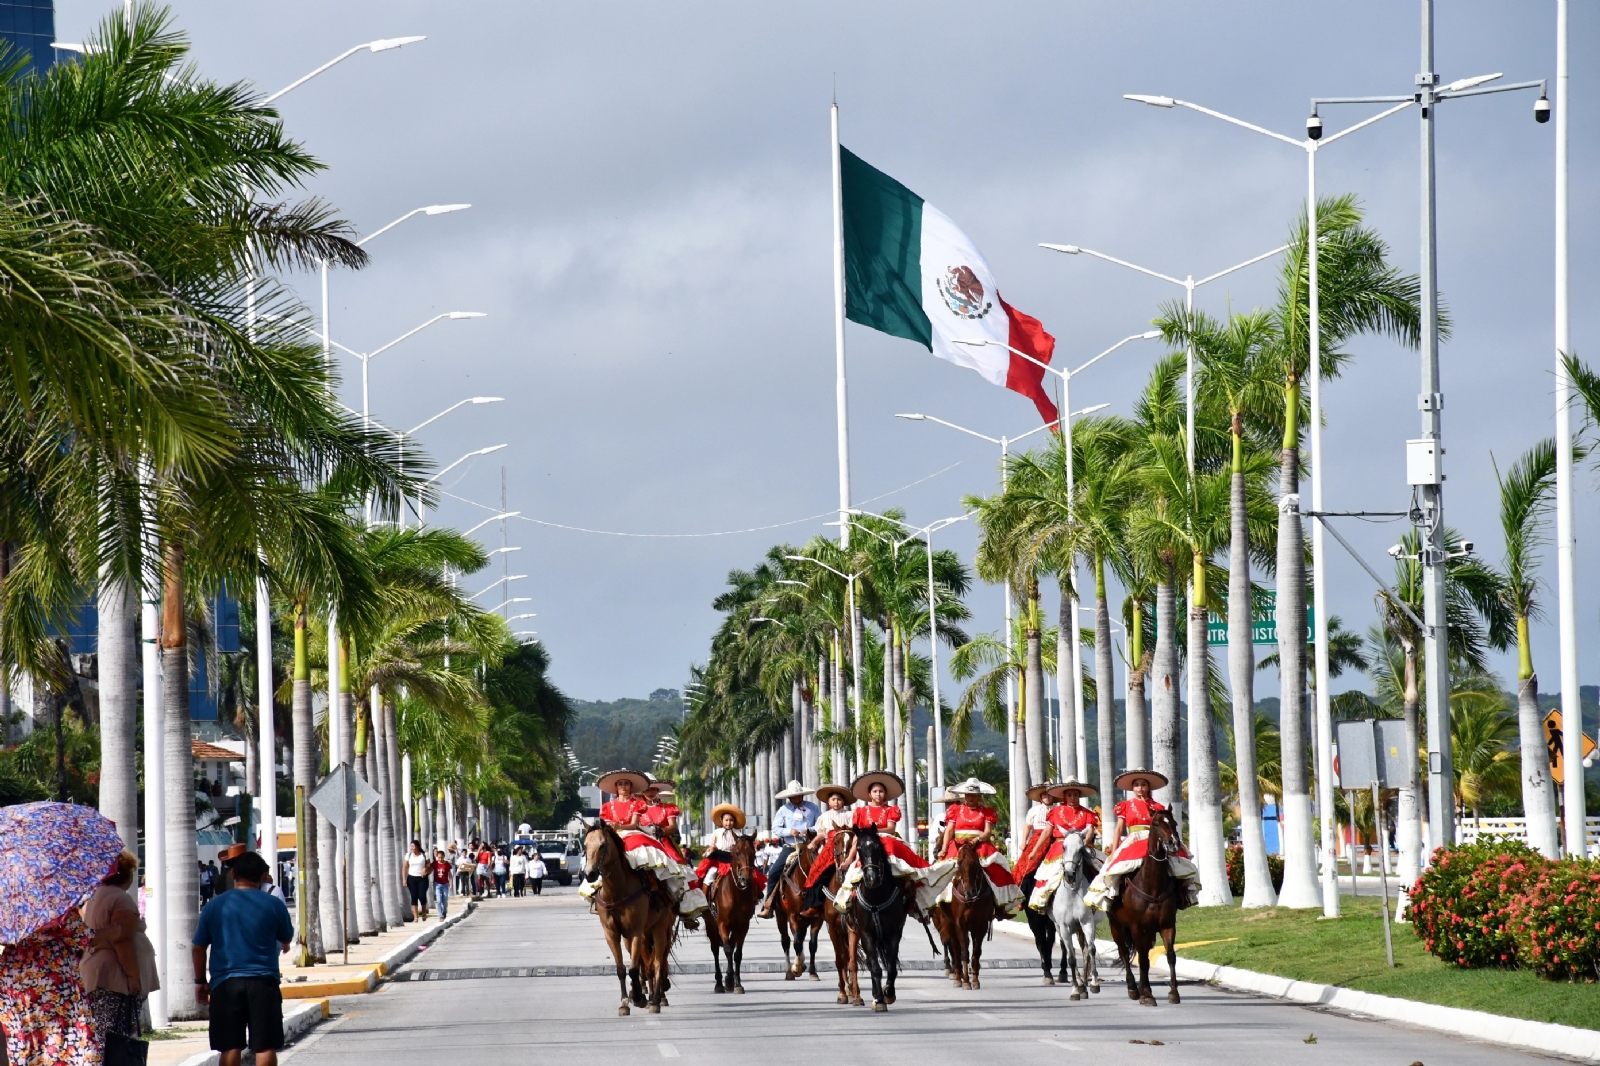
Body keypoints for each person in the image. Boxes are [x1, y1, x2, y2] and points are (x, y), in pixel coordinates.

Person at [191, 851, 295, 1066]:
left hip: (225, 984)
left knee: (229, 1046)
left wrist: (200, 981)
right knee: (264, 1045)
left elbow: (199, 947)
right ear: (263, 876)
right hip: (263, 982)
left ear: (234, 873)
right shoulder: (273, 904)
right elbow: (286, 936)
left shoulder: (214, 906)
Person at [578, 769, 707, 923]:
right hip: (613, 837)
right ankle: (598, 892)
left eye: (626, 784)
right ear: (616, 787)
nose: (624, 787)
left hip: (633, 834)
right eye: (620, 784)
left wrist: (619, 825)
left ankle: (657, 887)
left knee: (644, 856)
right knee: (602, 856)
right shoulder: (607, 806)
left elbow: (633, 825)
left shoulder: (638, 804)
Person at [1084, 769, 1200, 911]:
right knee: (1115, 869)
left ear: (1148, 787)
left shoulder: (1158, 807)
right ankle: (1113, 897)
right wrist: (1114, 851)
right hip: (1134, 839)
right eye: (1137, 785)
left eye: (1143, 784)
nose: (1140, 788)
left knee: (1179, 864)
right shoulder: (1125, 805)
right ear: (1133, 788)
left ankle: (1181, 896)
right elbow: (1119, 829)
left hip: (1156, 838)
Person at [835, 772, 952, 912]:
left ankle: (909, 898)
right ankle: (850, 901)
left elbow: (890, 829)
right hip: (866, 842)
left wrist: (872, 831)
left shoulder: (891, 810)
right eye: (875, 791)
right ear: (869, 794)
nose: (878, 794)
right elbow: (856, 837)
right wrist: (848, 859)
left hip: (886, 839)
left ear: (885, 794)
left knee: (900, 862)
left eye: (881, 791)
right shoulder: (860, 811)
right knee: (854, 871)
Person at [80, 850, 159, 1050]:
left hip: (100, 972)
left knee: (104, 1035)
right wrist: (133, 976)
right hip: (115, 977)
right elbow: (122, 938)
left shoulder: (96, 896)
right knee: (116, 1038)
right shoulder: (119, 899)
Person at [0, 908, 99, 1064]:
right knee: (61, 1030)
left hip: (14, 971)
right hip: (49, 967)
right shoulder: (51, 896)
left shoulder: (6, 898)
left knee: (24, 1029)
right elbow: (80, 936)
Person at [934, 777, 1023, 913]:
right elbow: (950, 830)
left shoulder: (987, 812)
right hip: (957, 846)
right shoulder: (955, 810)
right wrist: (944, 849)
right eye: (969, 794)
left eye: (974, 795)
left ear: (979, 796)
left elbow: (987, 832)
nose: (971, 797)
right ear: (964, 795)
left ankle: (999, 905)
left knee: (997, 868)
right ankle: (937, 904)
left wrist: (978, 839)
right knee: (941, 869)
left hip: (980, 846)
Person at [1026, 781, 1101, 911]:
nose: (1072, 798)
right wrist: (1034, 850)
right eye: (1069, 795)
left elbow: (1090, 830)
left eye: (1075, 795)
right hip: (1059, 847)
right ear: (1065, 796)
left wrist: (1085, 841)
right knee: (1048, 874)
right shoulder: (1056, 811)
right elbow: (1047, 832)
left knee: (1098, 868)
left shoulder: (1087, 813)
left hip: (1080, 846)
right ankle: (1044, 901)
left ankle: (1099, 897)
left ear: (1079, 796)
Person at [757, 780, 819, 919]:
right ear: (789, 797)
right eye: (794, 796)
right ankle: (769, 905)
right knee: (774, 872)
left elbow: (820, 825)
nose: (797, 798)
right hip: (790, 847)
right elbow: (776, 829)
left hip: (810, 847)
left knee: (825, 869)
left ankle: (826, 902)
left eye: (799, 795)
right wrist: (789, 831)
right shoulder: (783, 810)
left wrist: (808, 830)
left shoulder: (813, 807)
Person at [800, 784, 855, 910]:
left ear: (843, 802)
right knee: (817, 872)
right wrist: (813, 842)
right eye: (833, 799)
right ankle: (814, 905)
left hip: (848, 845)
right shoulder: (824, 817)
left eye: (839, 799)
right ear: (829, 802)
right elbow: (821, 834)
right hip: (829, 848)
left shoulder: (850, 815)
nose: (836, 802)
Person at [693, 805, 766, 895]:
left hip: (733, 858)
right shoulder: (716, 833)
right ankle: (704, 897)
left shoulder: (738, 833)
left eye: (731, 820)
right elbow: (712, 847)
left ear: (734, 821)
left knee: (752, 874)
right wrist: (710, 859)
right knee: (710, 875)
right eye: (726, 820)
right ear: (722, 821)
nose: (728, 823)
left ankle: (756, 893)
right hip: (718, 858)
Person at [1012, 782, 1058, 887]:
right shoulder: (1034, 810)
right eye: (1045, 794)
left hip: (1053, 839)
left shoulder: (1057, 810)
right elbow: (1027, 826)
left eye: (1049, 794)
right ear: (1041, 797)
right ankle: (1021, 891)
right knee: (1027, 866)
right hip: (1037, 839)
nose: (1047, 797)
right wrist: (1023, 842)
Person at [402, 841, 430, 920]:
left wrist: (425, 869)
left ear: (417, 846)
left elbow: (429, 865)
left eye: (413, 846)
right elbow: (405, 868)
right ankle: (415, 916)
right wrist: (404, 879)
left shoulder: (424, 855)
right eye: (411, 846)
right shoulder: (408, 855)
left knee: (422, 895)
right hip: (411, 878)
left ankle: (424, 913)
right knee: (414, 896)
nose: (412, 848)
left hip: (422, 878)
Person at [430, 849, 453, 920]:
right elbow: (430, 869)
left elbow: (450, 875)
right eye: (439, 857)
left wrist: (451, 884)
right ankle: (441, 915)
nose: (440, 859)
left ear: (444, 857)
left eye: (441, 857)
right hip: (437, 884)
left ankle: (445, 910)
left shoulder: (447, 864)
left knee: (445, 899)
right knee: (439, 900)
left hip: (445, 884)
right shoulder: (435, 863)